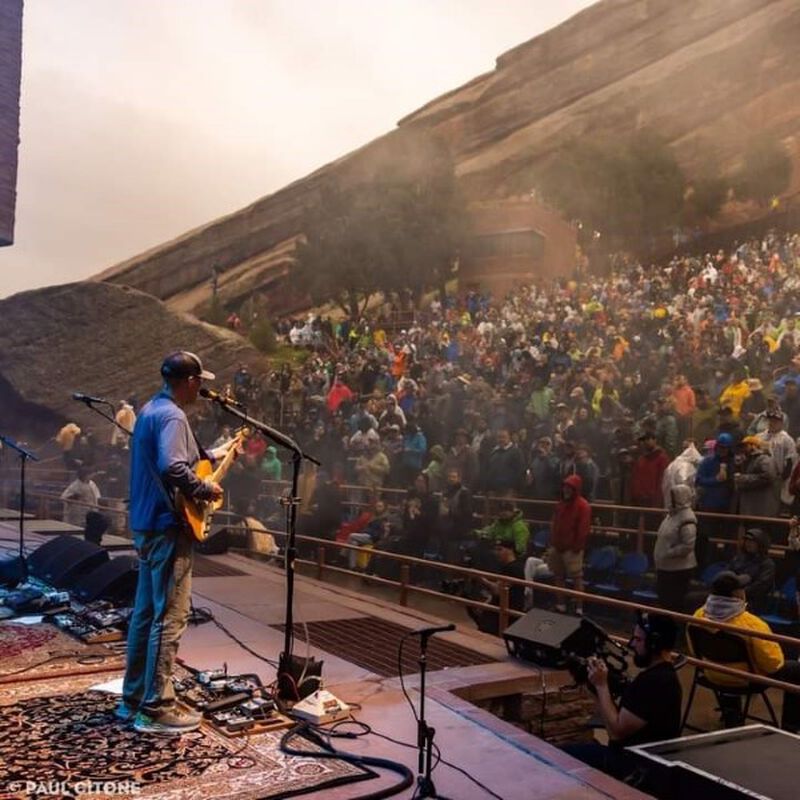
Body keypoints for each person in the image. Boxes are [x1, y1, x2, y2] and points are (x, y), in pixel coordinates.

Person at [120, 351, 233, 735]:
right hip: (168, 526)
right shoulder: (172, 415)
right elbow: (172, 465)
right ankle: (156, 707)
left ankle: (133, 697)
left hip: (146, 523)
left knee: (146, 614)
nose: (202, 388)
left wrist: (213, 455)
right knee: (170, 615)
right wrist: (206, 488)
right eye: (200, 381)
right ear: (189, 382)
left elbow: (169, 460)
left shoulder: (150, 410)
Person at [563, 613, 682, 779]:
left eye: (638, 640)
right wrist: (593, 688)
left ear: (655, 644)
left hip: (633, 768)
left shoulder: (655, 682)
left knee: (557, 756)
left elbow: (616, 732)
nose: (632, 644)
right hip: (631, 760)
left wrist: (602, 685)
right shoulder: (660, 676)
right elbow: (615, 720)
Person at [691, 571, 800, 731]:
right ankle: (789, 728)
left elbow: (694, 651)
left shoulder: (698, 616)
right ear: (737, 594)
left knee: (728, 664)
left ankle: (731, 714)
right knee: (796, 670)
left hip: (711, 672)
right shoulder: (752, 624)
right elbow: (773, 665)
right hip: (744, 679)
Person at [547, 475, 591, 614]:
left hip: (572, 549)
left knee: (577, 577)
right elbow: (554, 523)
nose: (566, 490)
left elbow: (583, 528)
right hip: (557, 546)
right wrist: (553, 541)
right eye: (565, 487)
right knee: (558, 575)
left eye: (569, 487)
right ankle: (561, 604)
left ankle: (579, 607)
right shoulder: (560, 504)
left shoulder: (583, 506)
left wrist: (577, 546)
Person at [467, 539, 526, 635]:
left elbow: (497, 591)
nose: (497, 553)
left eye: (500, 549)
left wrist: (481, 579)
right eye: (496, 550)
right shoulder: (510, 566)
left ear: (510, 550)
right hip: (501, 605)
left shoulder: (513, 568)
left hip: (508, 609)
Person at [653, 484, 697, 611]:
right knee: (663, 601)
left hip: (678, 570)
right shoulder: (671, 515)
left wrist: (668, 552)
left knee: (673, 603)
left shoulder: (687, 518)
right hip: (665, 567)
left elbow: (688, 545)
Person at [725, 528, 776, 613]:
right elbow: (727, 575)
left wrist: (739, 593)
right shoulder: (738, 558)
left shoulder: (767, 564)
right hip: (732, 596)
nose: (748, 544)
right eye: (747, 541)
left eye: (752, 541)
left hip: (754, 601)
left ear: (760, 544)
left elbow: (760, 586)